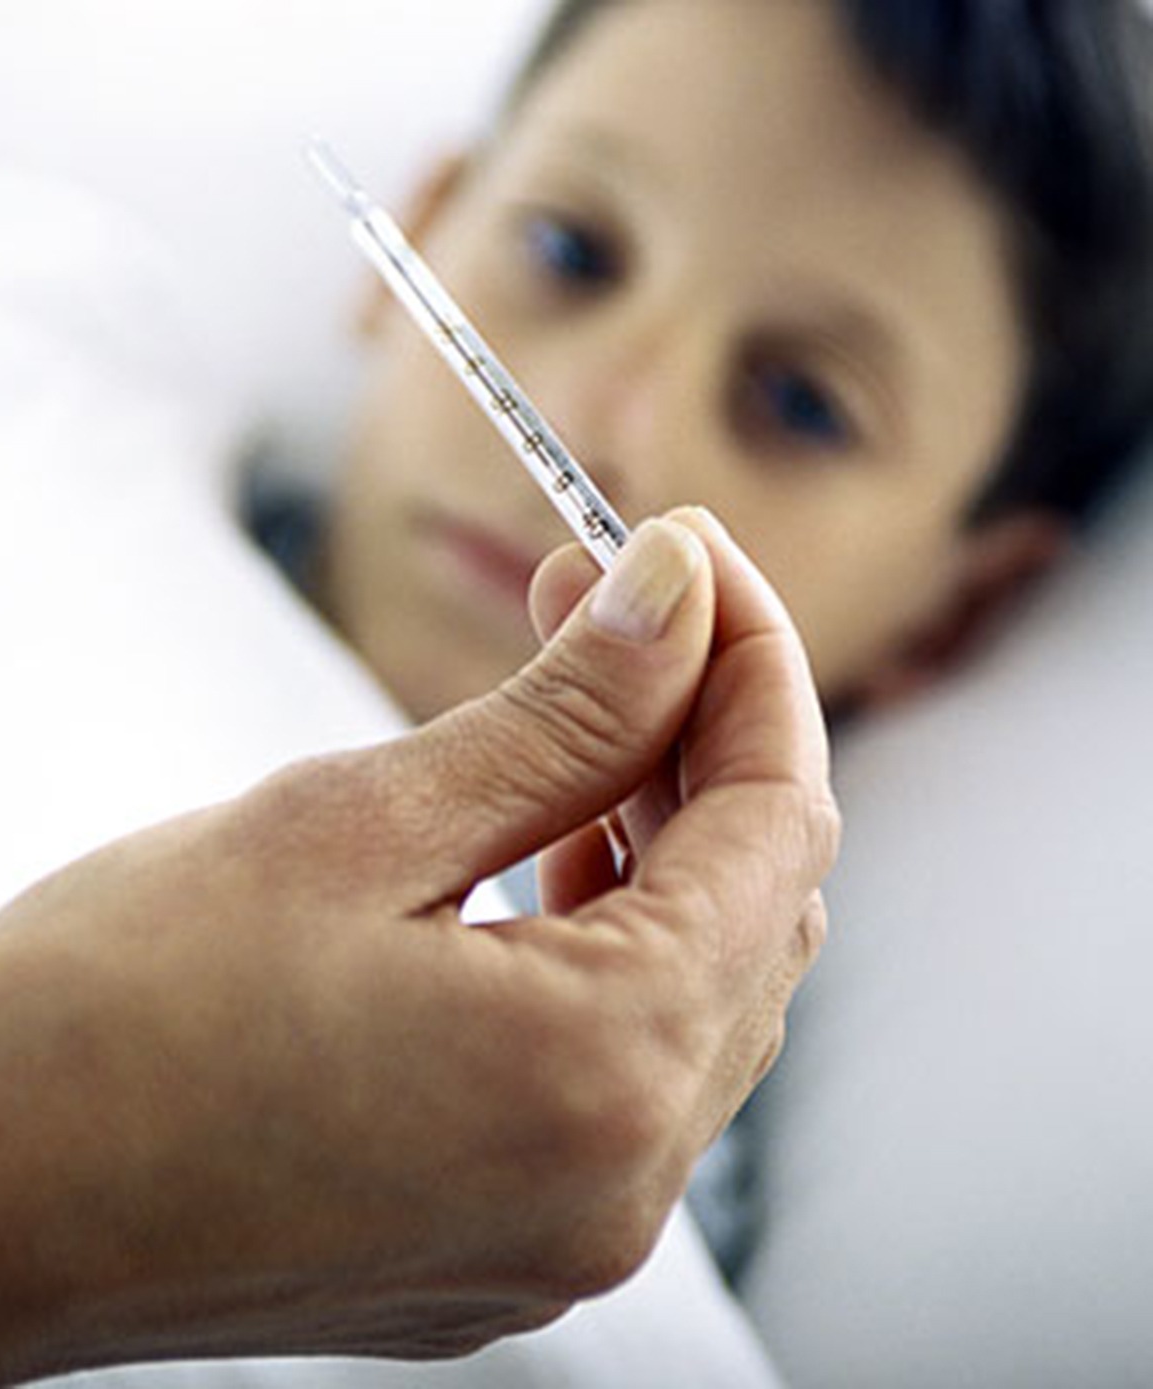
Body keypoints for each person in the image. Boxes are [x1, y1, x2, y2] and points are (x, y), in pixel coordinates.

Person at [237, 0, 1153, 1285]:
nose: (603, 418)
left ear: (958, 611)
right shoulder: (50, 472)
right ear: (424, 227)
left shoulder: (619, 1140)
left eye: (801, 403)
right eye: (570, 249)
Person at [0, 510, 837, 1387]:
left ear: (927, 637)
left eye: (800, 408)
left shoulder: (648, 1118)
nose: (612, 414)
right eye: (564, 298)